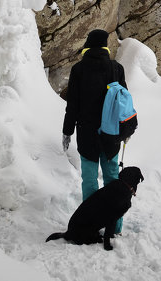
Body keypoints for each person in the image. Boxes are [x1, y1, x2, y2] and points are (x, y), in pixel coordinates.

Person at [62, 29, 127, 211]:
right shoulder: (117, 68)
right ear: (105, 45)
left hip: (87, 134)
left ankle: (90, 225)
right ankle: (114, 226)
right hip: (112, 133)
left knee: (90, 180)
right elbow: (124, 102)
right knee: (112, 179)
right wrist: (126, 130)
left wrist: (67, 131)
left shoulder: (79, 69)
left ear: (88, 45)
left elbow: (72, 104)